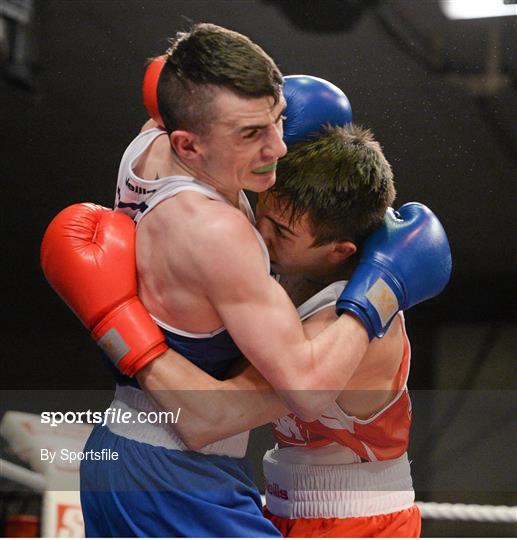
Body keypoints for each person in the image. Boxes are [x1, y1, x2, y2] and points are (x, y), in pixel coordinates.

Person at [41, 23, 450, 538]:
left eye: (277, 121)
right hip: (177, 470)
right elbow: (219, 415)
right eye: (251, 134)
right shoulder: (220, 234)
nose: (278, 148)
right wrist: (385, 284)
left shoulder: (148, 144)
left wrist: (116, 327)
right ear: (189, 144)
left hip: (143, 457)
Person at [131, 124, 423, 537]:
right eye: (262, 214)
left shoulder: (347, 326)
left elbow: (205, 418)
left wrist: (115, 322)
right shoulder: (286, 269)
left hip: (359, 522)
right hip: (281, 503)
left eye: (282, 233)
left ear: (340, 250)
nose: (259, 237)